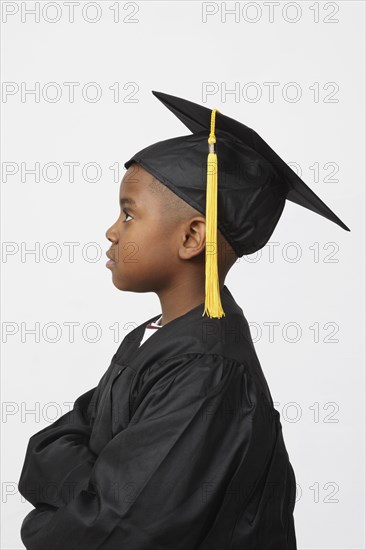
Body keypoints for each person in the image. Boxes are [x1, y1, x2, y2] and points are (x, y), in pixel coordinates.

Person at [18, 91, 350, 549]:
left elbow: (119, 532)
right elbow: (46, 447)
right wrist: (92, 491)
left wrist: (49, 516)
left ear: (194, 237)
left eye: (129, 212)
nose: (112, 230)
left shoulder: (208, 368)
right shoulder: (156, 340)